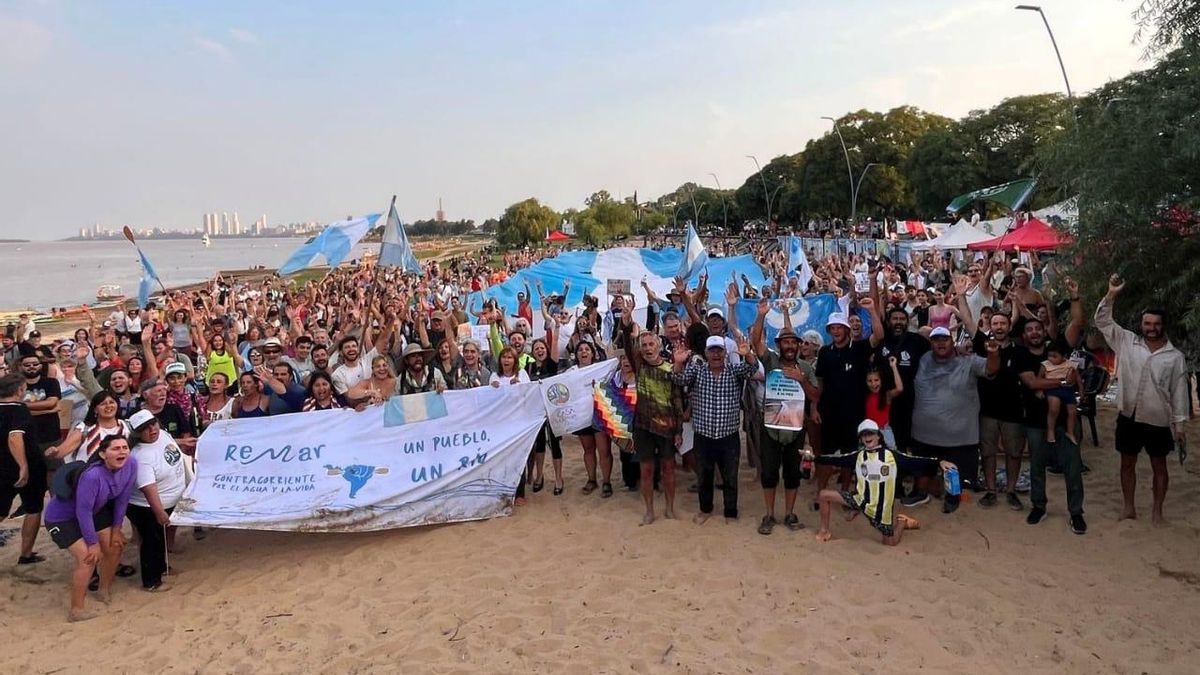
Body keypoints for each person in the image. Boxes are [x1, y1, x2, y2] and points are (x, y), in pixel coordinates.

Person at [1095, 274, 1188, 526]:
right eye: (1147, 323)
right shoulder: (1126, 342)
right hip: (1129, 416)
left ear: (1162, 325)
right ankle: (1129, 507)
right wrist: (1111, 294)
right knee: (1127, 463)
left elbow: (1180, 393)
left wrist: (1179, 427)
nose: (1151, 328)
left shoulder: (1174, 357)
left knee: (1160, 467)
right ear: (1142, 324)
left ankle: (1157, 511)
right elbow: (1102, 320)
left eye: (1155, 324)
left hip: (1158, 419)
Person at [813, 419, 954, 545]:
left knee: (890, 542)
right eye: (864, 435)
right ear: (861, 438)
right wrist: (814, 457)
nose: (867, 437)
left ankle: (901, 522)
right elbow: (835, 459)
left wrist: (939, 462)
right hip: (860, 500)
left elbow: (915, 461)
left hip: (881, 509)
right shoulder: (858, 456)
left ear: (878, 435)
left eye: (870, 433)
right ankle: (824, 531)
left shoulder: (891, 455)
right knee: (824, 494)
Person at [42, 435, 136, 622]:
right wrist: (92, 543)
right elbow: (82, 511)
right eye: (115, 448)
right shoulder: (93, 476)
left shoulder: (131, 464)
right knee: (88, 558)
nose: (122, 451)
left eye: (125, 447)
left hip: (95, 509)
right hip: (62, 518)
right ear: (103, 454)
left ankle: (104, 589)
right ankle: (76, 610)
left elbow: (122, 498)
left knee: (114, 546)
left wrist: (117, 528)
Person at [909, 327, 999, 512]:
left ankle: (952, 497)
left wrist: (993, 353)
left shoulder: (969, 360)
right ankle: (920, 492)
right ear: (930, 343)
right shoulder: (924, 358)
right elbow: (921, 332)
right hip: (924, 432)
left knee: (955, 472)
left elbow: (991, 368)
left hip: (958, 435)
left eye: (945, 339)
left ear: (952, 341)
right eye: (936, 340)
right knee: (923, 468)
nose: (940, 343)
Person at [750, 301, 821, 534]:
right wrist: (761, 315)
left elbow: (815, 394)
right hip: (770, 426)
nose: (789, 346)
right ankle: (769, 515)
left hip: (795, 428)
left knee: (792, 473)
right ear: (779, 345)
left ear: (799, 346)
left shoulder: (806, 368)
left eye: (793, 342)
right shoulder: (770, 361)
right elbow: (756, 341)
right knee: (769, 473)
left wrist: (801, 379)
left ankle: (790, 513)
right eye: (785, 342)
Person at [670, 334, 757, 524]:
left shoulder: (735, 371)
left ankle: (730, 512)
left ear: (725, 353)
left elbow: (753, 368)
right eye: (712, 351)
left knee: (730, 477)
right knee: (704, 476)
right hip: (703, 435)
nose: (716, 354)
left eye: (719, 350)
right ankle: (705, 509)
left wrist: (748, 354)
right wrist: (678, 362)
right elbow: (678, 379)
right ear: (706, 353)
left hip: (729, 436)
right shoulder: (697, 370)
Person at [1014, 317, 1086, 534]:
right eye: (1030, 330)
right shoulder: (1022, 355)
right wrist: (1064, 382)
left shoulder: (1057, 349)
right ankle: (1038, 505)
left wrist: (1074, 297)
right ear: (1024, 335)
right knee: (1037, 465)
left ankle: (1076, 512)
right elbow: (1033, 383)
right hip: (1036, 421)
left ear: (1044, 331)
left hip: (1066, 420)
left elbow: (1076, 322)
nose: (1035, 332)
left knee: (1072, 467)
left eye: (1038, 328)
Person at [622, 318, 684, 525]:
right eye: (644, 345)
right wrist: (626, 323)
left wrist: (679, 431)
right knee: (646, 471)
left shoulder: (670, 369)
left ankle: (669, 508)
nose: (648, 348)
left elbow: (677, 401)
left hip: (667, 427)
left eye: (651, 344)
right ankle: (649, 511)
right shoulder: (639, 367)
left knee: (668, 469)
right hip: (643, 426)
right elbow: (628, 348)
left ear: (658, 346)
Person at [125, 410, 184, 592]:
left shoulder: (164, 435)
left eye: (153, 424)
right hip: (146, 507)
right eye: (145, 428)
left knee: (160, 539)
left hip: (168, 499)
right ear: (137, 433)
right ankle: (151, 581)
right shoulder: (141, 456)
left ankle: (162, 567)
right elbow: (148, 488)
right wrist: (159, 512)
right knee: (151, 540)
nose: (152, 430)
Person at [0, 373, 47, 565]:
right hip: (26, 467)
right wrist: (23, 466)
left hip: (1, 467)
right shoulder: (19, 409)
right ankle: (26, 554)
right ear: (19, 390)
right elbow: (14, 437)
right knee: (34, 507)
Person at [1038, 342, 1082, 445]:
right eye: (1049, 355)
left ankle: (1070, 432)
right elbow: (1039, 378)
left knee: (1072, 412)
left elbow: (1078, 378)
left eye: (1054, 356)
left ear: (1064, 356)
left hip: (1068, 389)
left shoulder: (1071, 365)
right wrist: (1039, 390)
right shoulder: (1045, 365)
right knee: (1054, 408)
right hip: (1053, 389)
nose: (1051, 359)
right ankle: (1050, 431)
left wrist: (1081, 390)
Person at [864, 357, 904, 450]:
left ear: (882, 380)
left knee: (890, 458)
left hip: (885, 433)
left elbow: (899, 388)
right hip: (869, 432)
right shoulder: (866, 396)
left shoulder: (886, 395)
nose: (873, 384)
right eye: (870, 381)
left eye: (876, 380)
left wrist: (893, 367)